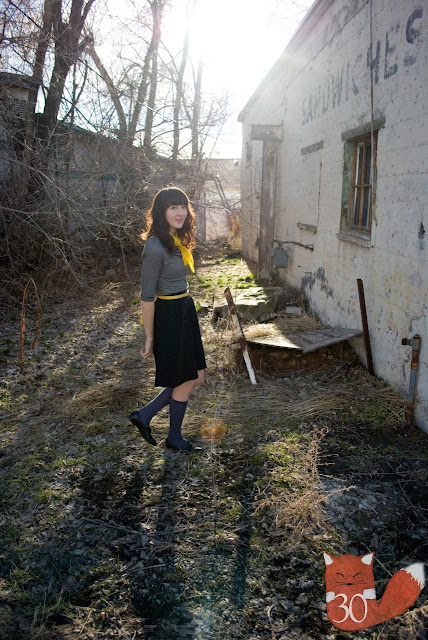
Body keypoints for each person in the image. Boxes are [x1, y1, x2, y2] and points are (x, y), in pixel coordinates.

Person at [129, 187, 206, 452]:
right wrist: (150, 338)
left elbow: (179, 283)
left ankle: (145, 415)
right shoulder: (154, 247)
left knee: (196, 376)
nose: (180, 212)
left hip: (184, 309)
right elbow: (147, 297)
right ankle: (174, 438)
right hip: (169, 316)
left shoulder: (175, 240)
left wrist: (192, 317)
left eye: (183, 206)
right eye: (173, 207)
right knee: (186, 379)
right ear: (162, 212)